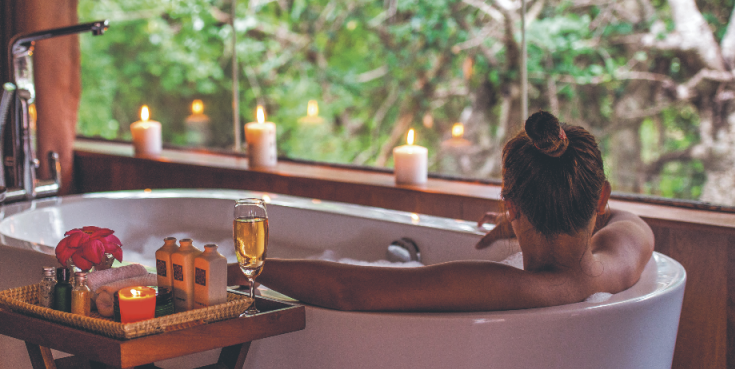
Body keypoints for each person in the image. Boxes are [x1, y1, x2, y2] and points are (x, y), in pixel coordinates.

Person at [228, 110, 655, 312]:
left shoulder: (513, 289)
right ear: (600, 197)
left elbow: (349, 290)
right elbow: (628, 221)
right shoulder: (619, 263)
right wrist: (538, 211)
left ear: (510, 204)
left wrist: (250, 270)